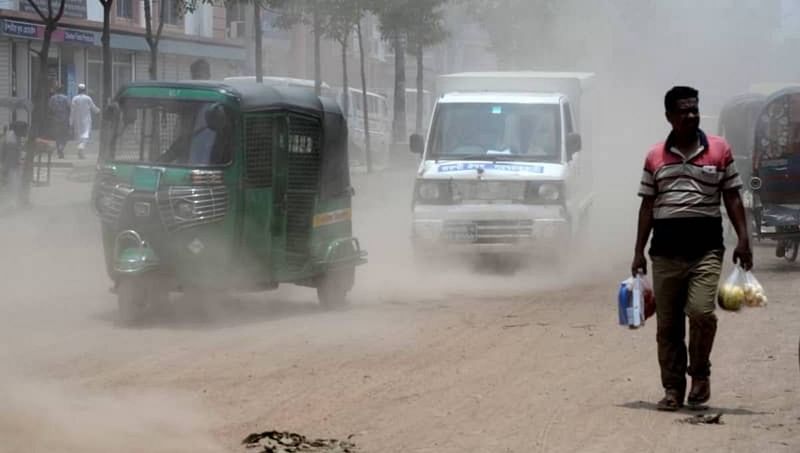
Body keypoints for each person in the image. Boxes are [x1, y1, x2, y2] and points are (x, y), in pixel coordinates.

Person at [632, 86, 753, 411]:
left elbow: (731, 196)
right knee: (668, 327)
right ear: (669, 117)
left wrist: (743, 239)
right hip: (665, 255)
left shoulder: (719, 149)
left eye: (694, 109)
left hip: (706, 252)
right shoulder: (655, 156)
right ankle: (673, 389)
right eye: (683, 111)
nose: (690, 115)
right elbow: (648, 205)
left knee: (701, 314)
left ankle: (700, 374)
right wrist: (638, 252)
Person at [70, 83, 100, 159]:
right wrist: (99, 111)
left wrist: (71, 121)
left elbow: (72, 111)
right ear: (84, 90)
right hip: (86, 120)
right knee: (86, 136)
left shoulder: (74, 98)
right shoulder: (87, 98)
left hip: (77, 120)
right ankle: (81, 148)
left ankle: (80, 152)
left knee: (79, 136)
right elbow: (93, 108)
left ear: (78, 90)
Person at [48, 84, 71, 159]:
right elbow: (69, 107)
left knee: (57, 136)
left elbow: (50, 108)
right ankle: (61, 148)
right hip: (64, 118)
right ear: (62, 90)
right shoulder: (65, 98)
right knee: (65, 135)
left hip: (55, 119)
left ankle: (58, 150)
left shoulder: (52, 98)